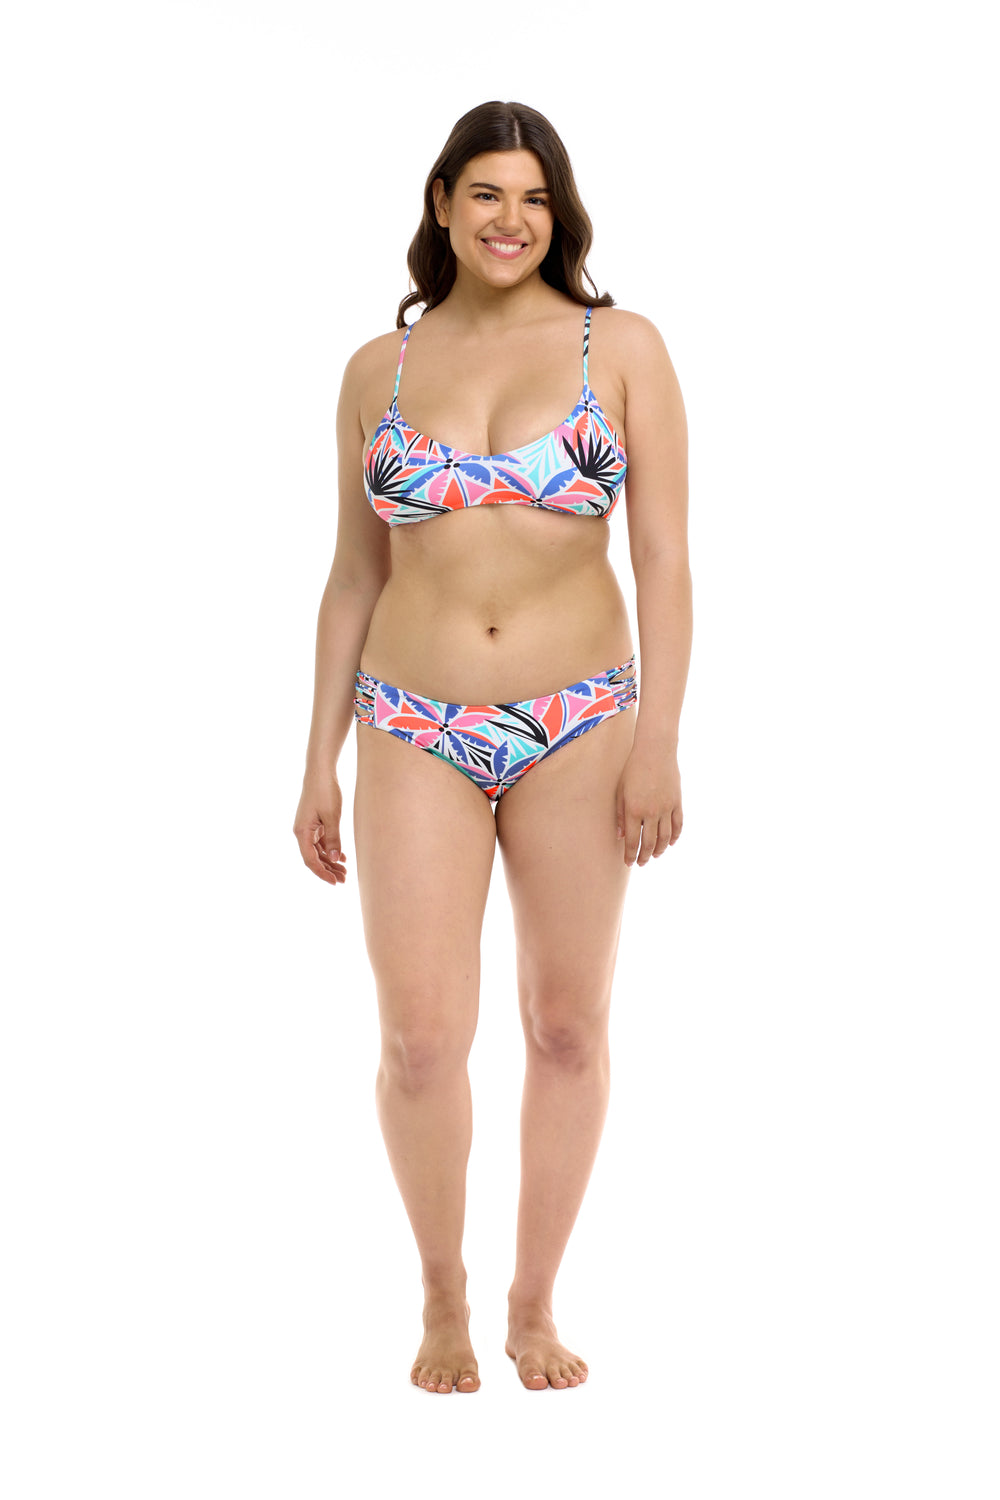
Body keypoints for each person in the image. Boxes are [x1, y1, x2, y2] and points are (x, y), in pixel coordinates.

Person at [293, 99, 692, 1394]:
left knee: (567, 1024)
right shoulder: (377, 371)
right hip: (413, 720)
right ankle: (442, 1295)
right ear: (442, 204)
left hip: (583, 720)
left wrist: (660, 739)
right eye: (485, 195)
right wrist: (316, 760)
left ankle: (534, 1304)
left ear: (557, 212)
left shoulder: (619, 348)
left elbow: (666, 558)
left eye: (533, 197)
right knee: (420, 1037)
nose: (510, 220)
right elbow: (352, 577)